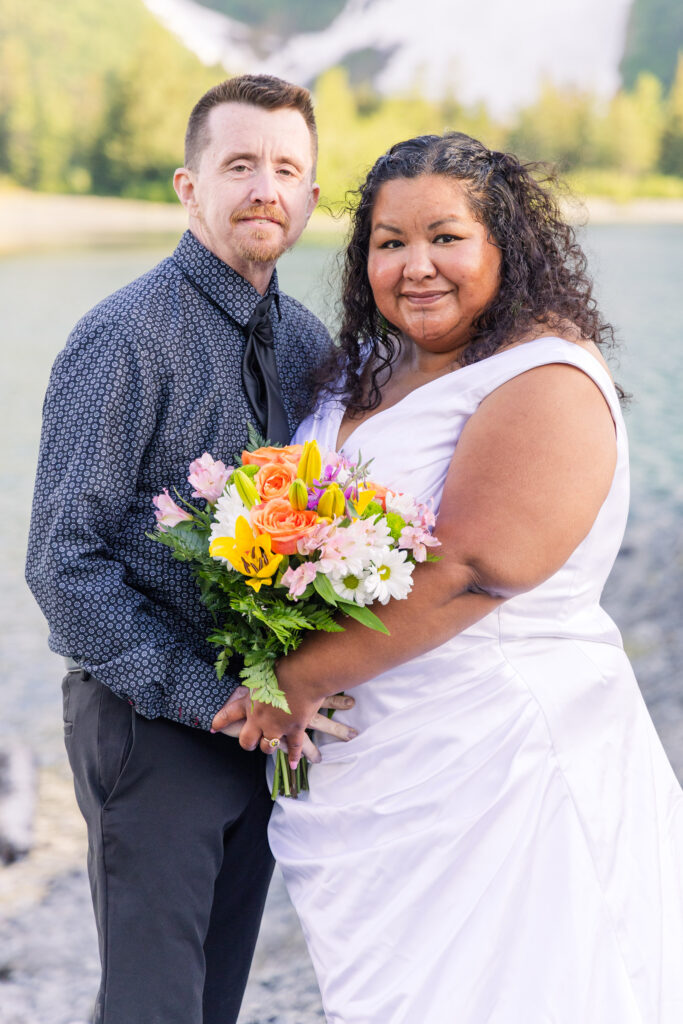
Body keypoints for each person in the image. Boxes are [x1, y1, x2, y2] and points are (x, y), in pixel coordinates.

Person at [217, 133, 683, 1021]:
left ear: (503, 245)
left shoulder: (541, 377)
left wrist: (296, 676)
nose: (415, 266)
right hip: (371, 775)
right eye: (389, 243)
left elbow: (475, 566)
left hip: (501, 761)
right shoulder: (366, 371)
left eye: (445, 237)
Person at [25, 74, 356, 1024]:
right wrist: (209, 696)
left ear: (308, 193)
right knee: (151, 1005)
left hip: (256, 724)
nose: (265, 188)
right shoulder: (122, 338)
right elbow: (62, 558)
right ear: (188, 185)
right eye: (240, 164)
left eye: (287, 168)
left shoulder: (302, 340)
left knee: (212, 999)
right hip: (151, 721)